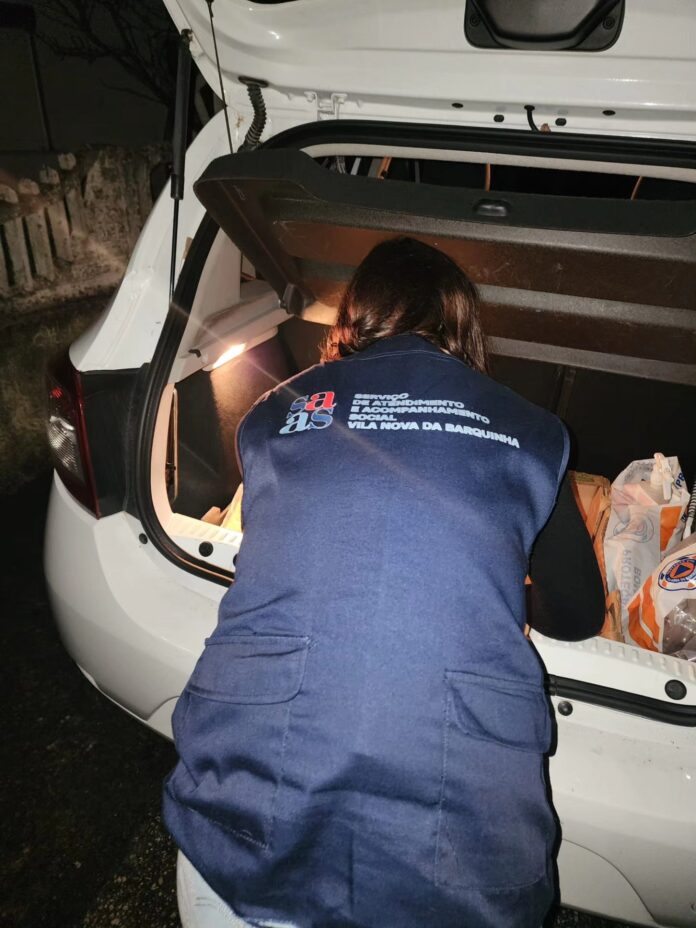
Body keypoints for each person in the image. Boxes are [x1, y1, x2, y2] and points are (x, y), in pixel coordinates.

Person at [163, 236, 605, 928]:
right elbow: (576, 614)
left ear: (354, 317)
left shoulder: (274, 412)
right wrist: (494, 591)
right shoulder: (533, 432)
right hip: (453, 858)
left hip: (237, 820)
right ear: (461, 324)